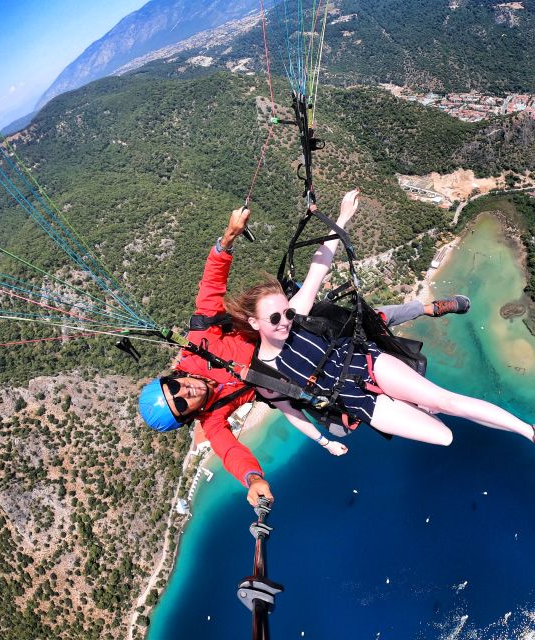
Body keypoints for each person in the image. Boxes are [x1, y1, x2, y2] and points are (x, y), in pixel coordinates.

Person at [138, 204, 472, 506]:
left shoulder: (199, 345)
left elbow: (209, 290)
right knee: (343, 413)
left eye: (175, 388)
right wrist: (253, 480)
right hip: (286, 375)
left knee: (363, 321)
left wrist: (228, 238)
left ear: (174, 377)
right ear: (187, 417)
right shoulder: (211, 418)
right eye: (182, 404)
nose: (187, 392)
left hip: (280, 330)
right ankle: (415, 403)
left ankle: (427, 307)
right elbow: (231, 453)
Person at [225, 189, 535, 465]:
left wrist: (343, 217)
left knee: (447, 400)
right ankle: (422, 402)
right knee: (445, 436)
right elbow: (290, 412)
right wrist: (325, 442)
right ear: (254, 324)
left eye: (285, 313)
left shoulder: (297, 314)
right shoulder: (264, 374)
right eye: (275, 319)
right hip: (356, 401)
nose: (285, 321)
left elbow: (321, 263)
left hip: (365, 363)